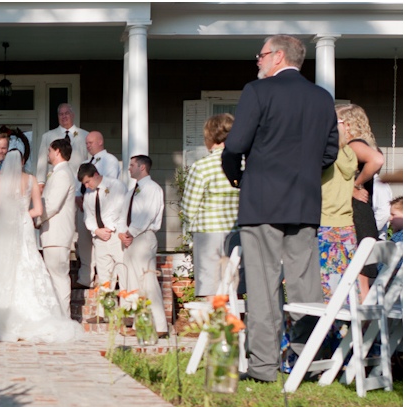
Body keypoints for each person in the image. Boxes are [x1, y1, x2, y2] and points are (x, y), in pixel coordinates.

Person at [222, 34, 338, 383]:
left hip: (262, 202)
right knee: (306, 287)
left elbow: (236, 144)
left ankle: (262, 368)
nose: (257, 61)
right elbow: (329, 152)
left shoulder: (258, 91)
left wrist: (236, 176)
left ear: (278, 56)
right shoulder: (322, 97)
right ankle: (307, 362)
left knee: (262, 284)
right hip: (304, 202)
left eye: (261, 55)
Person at [0, 149, 83, 343]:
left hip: (5, 228)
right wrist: (21, 215)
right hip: (24, 226)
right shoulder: (31, 180)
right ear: (22, 162)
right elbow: (38, 210)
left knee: (1, 265)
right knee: (28, 262)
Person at [180, 114, 241, 298]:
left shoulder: (202, 167)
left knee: (210, 288)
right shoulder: (244, 164)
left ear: (210, 137)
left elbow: (189, 207)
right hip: (237, 230)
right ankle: (235, 325)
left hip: (208, 233)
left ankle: (213, 325)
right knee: (235, 286)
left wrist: (192, 227)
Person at [36, 103, 90, 287]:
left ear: (73, 115)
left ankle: (85, 275)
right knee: (58, 224)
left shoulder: (84, 136)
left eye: (67, 113)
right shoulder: (48, 137)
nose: (64, 116)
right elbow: (42, 163)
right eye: (60, 114)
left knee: (82, 232)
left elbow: (88, 164)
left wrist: (84, 190)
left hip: (80, 189)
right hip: (56, 186)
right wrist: (41, 183)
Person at [336, 104, 385, 298]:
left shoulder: (354, 145)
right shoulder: (365, 143)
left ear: (348, 124)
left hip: (356, 215)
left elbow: (377, 160)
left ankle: (361, 328)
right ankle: (364, 327)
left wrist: (355, 184)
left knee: (360, 280)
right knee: (360, 279)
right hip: (364, 214)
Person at [122, 155, 169, 337]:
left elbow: (147, 215)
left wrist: (130, 233)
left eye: (132, 165)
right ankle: (138, 324)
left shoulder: (153, 189)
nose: (129, 168)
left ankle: (160, 326)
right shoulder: (131, 190)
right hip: (130, 238)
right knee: (133, 283)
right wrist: (122, 232)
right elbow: (123, 214)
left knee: (147, 281)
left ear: (142, 167)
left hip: (143, 237)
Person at [77, 161, 129, 324]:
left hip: (115, 234)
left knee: (122, 270)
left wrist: (110, 228)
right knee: (104, 273)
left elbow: (120, 209)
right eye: (84, 183)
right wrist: (97, 230)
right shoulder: (89, 194)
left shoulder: (116, 185)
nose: (87, 185)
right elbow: (88, 216)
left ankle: (128, 311)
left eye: (88, 181)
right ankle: (104, 312)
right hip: (99, 237)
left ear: (96, 175)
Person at [37, 138, 77, 316]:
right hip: (53, 235)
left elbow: (52, 204)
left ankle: (63, 317)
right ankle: (58, 316)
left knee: (58, 278)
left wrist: (36, 218)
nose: (48, 154)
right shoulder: (59, 172)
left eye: (49, 151)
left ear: (58, 152)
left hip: (57, 234)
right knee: (54, 278)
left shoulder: (62, 174)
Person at [318, 131, 358, 300]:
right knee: (346, 282)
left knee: (325, 283)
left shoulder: (323, 157)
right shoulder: (350, 154)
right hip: (347, 226)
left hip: (325, 222)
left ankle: (326, 326)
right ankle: (345, 326)